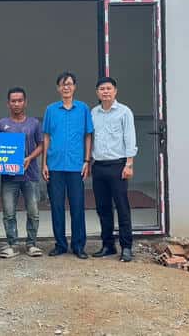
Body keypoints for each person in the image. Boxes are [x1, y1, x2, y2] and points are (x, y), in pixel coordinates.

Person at [41, 71, 94, 259]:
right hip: (55, 166)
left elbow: (88, 136)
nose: (66, 87)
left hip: (76, 166)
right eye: (63, 84)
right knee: (56, 206)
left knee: (77, 206)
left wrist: (87, 161)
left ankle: (79, 246)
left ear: (75, 87)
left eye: (69, 84)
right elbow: (46, 137)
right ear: (58, 88)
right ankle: (60, 244)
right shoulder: (51, 110)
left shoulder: (83, 109)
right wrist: (44, 163)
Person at [90, 77, 138, 262]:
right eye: (102, 89)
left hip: (118, 166)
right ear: (97, 93)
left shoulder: (124, 112)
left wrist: (129, 164)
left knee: (122, 206)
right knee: (103, 208)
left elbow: (130, 138)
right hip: (99, 166)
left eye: (109, 88)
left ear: (115, 91)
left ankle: (126, 247)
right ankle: (108, 245)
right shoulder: (94, 113)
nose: (105, 92)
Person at [0, 87, 44, 259]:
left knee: (33, 212)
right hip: (9, 177)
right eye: (13, 101)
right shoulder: (1, 124)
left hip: (30, 175)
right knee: (9, 213)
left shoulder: (34, 123)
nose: (16, 104)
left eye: (20, 100)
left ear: (25, 102)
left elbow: (41, 145)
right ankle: (12, 244)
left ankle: (31, 244)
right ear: (8, 103)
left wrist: (30, 158)